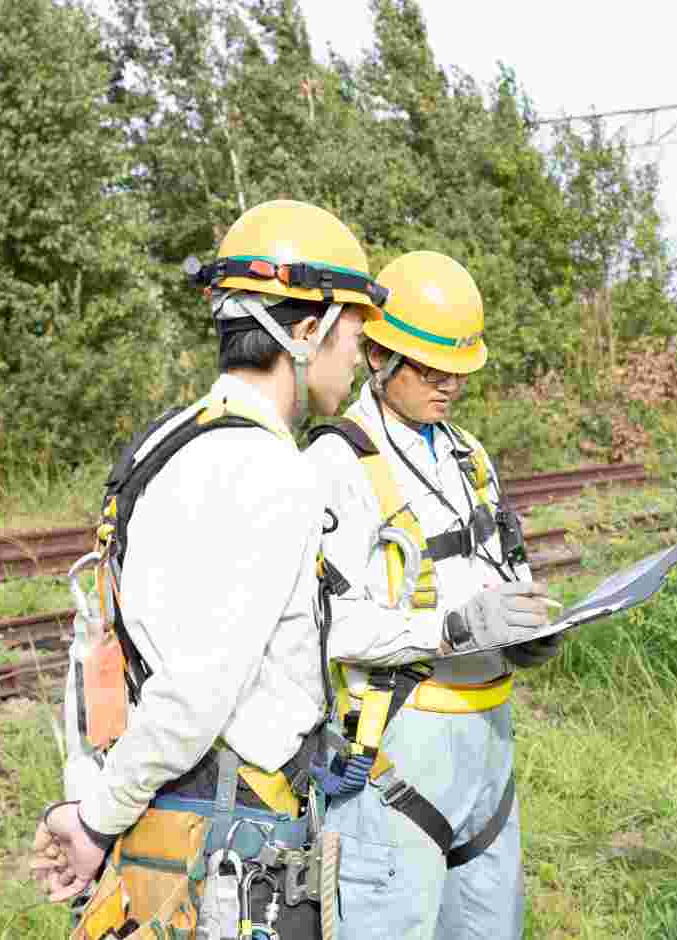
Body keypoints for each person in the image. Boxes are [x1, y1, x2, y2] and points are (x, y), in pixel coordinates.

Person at [29, 199, 381, 939]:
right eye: (355, 328)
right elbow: (195, 693)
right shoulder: (270, 472)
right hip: (224, 846)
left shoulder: (164, 446)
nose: (362, 353)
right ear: (307, 328)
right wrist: (94, 823)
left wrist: (87, 796)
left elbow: (98, 645)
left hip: (163, 823)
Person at [304, 249, 561, 940]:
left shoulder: (468, 454)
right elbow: (322, 628)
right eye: (429, 369)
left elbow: (495, 569)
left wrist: (524, 626)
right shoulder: (335, 463)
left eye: (459, 371)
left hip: (488, 744)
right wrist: (445, 630)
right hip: (396, 748)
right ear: (379, 356)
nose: (447, 384)